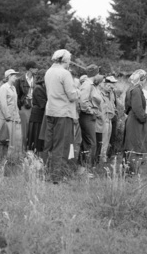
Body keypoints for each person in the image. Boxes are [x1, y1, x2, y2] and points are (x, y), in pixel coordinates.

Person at [43, 49, 79, 182]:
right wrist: (78, 91)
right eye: (70, 59)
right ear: (65, 60)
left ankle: (47, 172)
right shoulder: (65, 73)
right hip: (63, 112)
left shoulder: (49, 71)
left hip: (51, 111)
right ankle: (57, 176)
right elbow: (71, 95)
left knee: (50, 143)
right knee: (62, 144)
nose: (70, 61)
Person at [122, 69, 147, 171]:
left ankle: (129, 170)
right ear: (142, 79)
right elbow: (138, 108)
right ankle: (132, 171)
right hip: (136, 121)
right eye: (145, 79)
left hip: (131, 118)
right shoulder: (137, 90)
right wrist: (144, 118)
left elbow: (126, 107)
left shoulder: (130, 89)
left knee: (131, 144)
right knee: (135, 145)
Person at [78, 64, 103, 167]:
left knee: (88, 142)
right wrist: (91, 111)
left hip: (89, 117)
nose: (100, 75)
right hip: (87, 116)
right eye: (98, 73)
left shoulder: (91, 84)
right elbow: (83, 101)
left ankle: (83, 166)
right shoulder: (87, 85)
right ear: (95, 74)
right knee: (91, 143)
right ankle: (86, 167)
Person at [0, 69, 21, 161]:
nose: (15, 77)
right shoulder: (4, 88)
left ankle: (4, 158)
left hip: (12, 117)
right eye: (14, 75)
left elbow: (15, 103)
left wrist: (17, 116)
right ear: (9, 76)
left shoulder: (13, 88)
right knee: (2, 137)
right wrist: (7, 115)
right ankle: (1, 158)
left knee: (7, 139)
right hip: (5, 118)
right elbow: (3, 103)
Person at [15, 61, 38, 153]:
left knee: (35, 128)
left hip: (36, 105)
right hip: (24, 106)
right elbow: (17, 95)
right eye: (35, 68)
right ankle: (25, 151)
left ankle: (33, 150)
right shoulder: (19, 80)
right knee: (26, 129)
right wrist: (21, 105)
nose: (37, 69)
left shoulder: (37, 79)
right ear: (30, 69)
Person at [27, 69, 47, 156]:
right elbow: (43, 104)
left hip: (40, 116)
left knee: (38, 138)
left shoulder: (42, 87)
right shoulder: (38, 88)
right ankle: (34, 157)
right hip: (37, 117)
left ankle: (37, 156)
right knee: (36, 137)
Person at [100, 76, 117, 163]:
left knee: (107, 140)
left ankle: (104, 158)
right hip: (104, 119)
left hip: (110, 119)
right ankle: (100, 159)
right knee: (103, 140)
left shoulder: (111, 93)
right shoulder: (100, 93)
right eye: (109, 86)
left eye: (112, 86)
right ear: (104, 84)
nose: (111, 88)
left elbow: (113, 104)